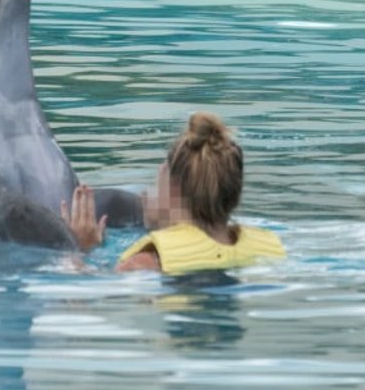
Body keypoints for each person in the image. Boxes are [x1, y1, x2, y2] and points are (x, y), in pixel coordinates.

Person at [61, 112, 286, 273]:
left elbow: (86, 297)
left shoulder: (146, 263)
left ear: (173, 188)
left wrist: (82, 251)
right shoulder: (265, 249)